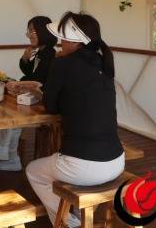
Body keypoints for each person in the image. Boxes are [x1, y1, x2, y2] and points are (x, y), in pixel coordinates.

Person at [25, 12, 124, 227]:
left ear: (75, 41)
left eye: (63, 38)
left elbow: (51, 106)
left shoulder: (63, 64)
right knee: (67, 172)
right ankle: (77, 216)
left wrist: (43, 89)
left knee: (33, 171)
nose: (60, 43)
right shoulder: (103, 63)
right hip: (116, 160)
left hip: (84, 165)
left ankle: (69, 223)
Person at [0, 16, 57, 171]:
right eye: (29, 31)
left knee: (12, 110)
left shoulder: (50, 53)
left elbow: (38, 80)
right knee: (8, 107)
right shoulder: (41, 51)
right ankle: (7, 154)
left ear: (44, 32)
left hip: (41, 99)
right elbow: (29, 72)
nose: (29, 35)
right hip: (33, 95)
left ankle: (6, 152)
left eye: (33, 31)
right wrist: (25, 59)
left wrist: (18, 84)